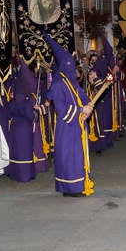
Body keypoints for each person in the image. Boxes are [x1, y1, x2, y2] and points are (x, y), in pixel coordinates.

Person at [45, 34, 94, 197]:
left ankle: (78, 184)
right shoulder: (58, 83)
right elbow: (61, 108)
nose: (72, 67)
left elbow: (81, 95)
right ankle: (69, 187)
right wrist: (81, 111)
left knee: (77, 155)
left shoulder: (72, 81)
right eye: (69, 64)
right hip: (67, 126)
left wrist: (88, 104)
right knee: (68, 156)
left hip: (77, 125)